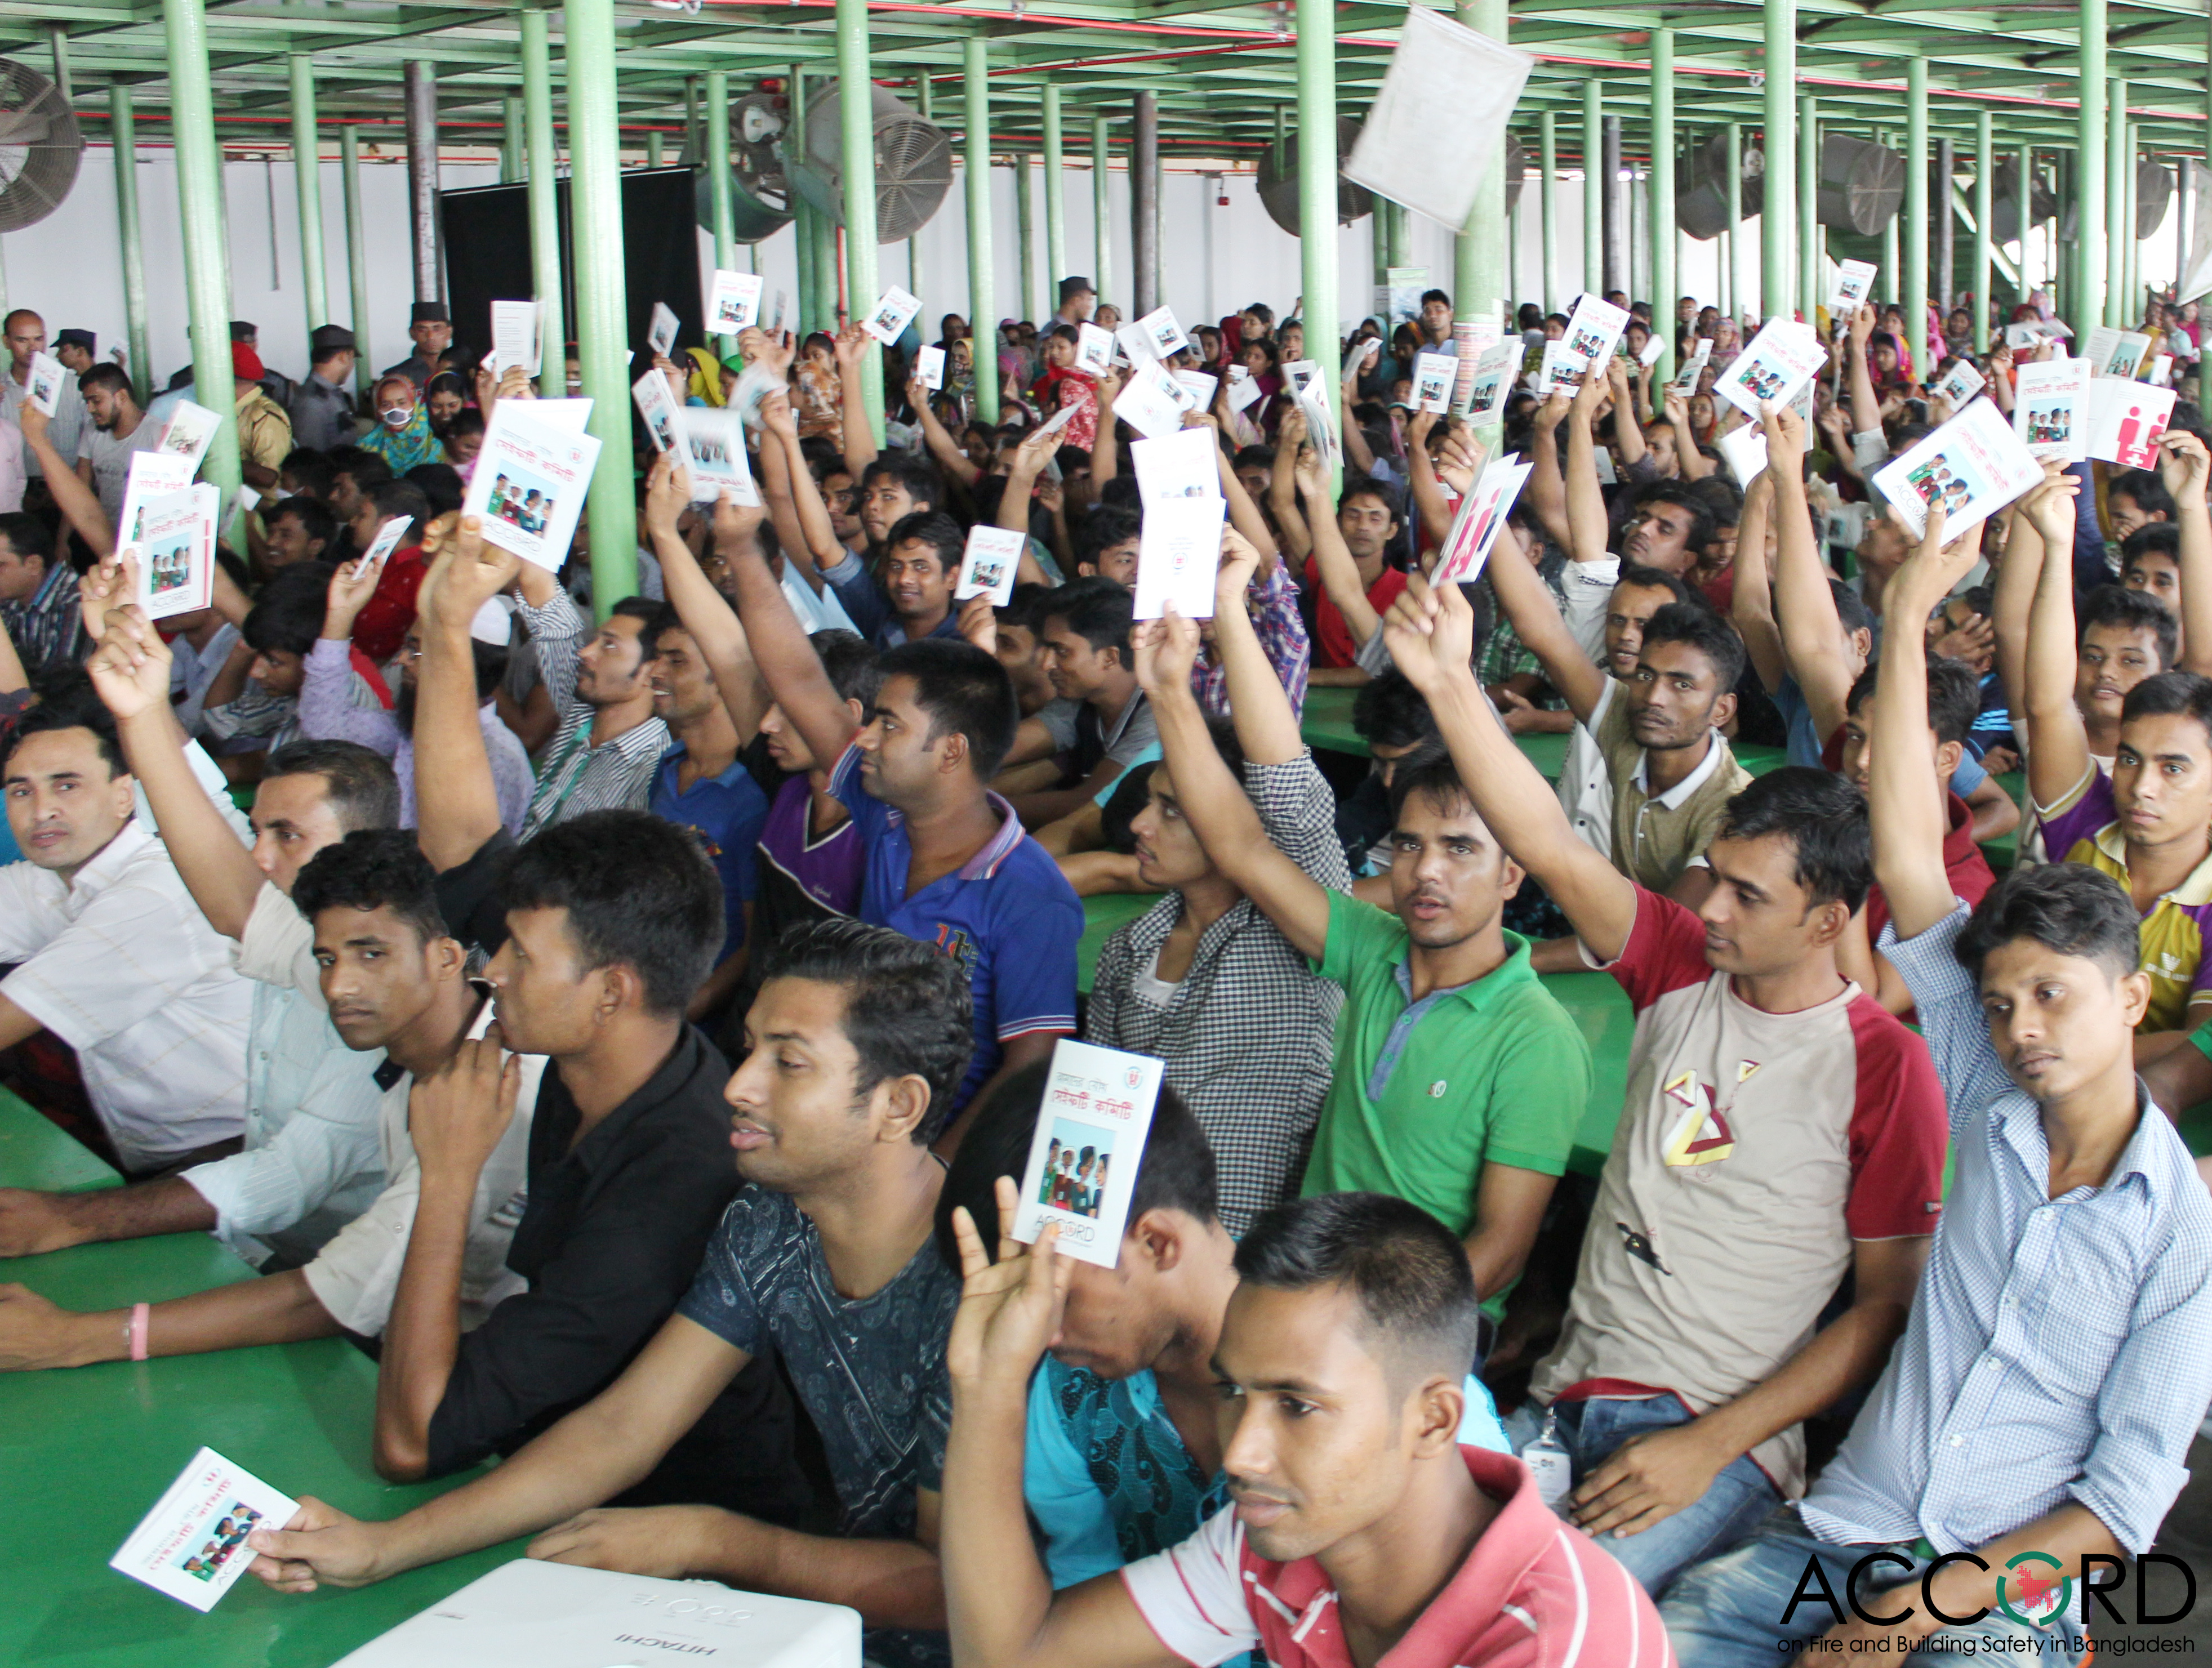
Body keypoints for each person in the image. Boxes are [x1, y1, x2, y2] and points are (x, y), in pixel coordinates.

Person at [1659, 501, 2212, 1665]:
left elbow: (2114, 1513)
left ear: (2128, 999)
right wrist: (1905, 614)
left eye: (2053, 996)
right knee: (1645, 1640)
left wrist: (1916, 1609)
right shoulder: (1984, 1091)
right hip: (1846, 1527)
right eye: (2000, 1002)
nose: (2018, 1029)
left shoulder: (2181, 1229)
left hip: (1998, 1588)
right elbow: (1907, 849)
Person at [1379, 573, 1945, 1595]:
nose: (1710, 906)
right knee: (1408, 1573)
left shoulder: (1884, 1065)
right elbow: (1546, 845)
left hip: (1713, 1436)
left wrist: (1710, 1445)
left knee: (1551, 1621)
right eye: (1714, 876)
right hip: (1565, 1400)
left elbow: (1880, 1310)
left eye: (1745, 893)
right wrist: (1449, 681)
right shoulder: (1682, 965)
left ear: (1827, 921)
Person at [247, 921, 977, 1668]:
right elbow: (624, 1426)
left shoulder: (973, 1295)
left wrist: (713, 1539)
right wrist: (383, 1547)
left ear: (898, 1104)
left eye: (787, 1062)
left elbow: (958, 1590)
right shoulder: (768, 1224)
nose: (738, 1083)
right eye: (751, 1045)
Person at [938, 1189, 1673, 1668]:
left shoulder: (1562, 1646)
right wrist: (988, 1383)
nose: (1241, 1451)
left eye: (1297, 1403)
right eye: (1233, 1390)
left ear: (1433, 1418)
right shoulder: (1275, 1547)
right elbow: (1014, 1655)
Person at [1133, 597, 1589, 1310]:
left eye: (1460, 849)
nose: (1425, 871)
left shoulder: (1537, 1038)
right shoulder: (1371, 949)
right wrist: (1168, 691)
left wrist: (1359, 1331)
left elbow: (1498, 1253)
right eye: (1409, 845)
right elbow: (1241, 846)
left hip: (1416, 1321)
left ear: (1512, 873)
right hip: (1298, 1279)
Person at [359, 806, 808, 1519]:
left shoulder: (674, 1186)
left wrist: (446, 1177)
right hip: (559, 1474)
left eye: (523, 955)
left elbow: (410, 1444)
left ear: (611, 992)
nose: (493, 971)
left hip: (669, 1547)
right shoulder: (594, 1074)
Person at [0, 635, 397, 1265]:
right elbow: (201, 800)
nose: (259, 858)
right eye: (19, 790)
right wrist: (141, 702)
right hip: (224, 1189)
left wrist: (71, 1219)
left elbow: (282, 1179)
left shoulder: (378, 994)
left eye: (288, 836)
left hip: (270, 1211)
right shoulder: (291, 938)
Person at [723, 493, 1081, 1132]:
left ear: (950, 751)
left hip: (930, 1143)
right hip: (848, 1106)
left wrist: (934, 1172)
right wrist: (742, 551)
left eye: (887, 725)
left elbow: (1031, 1064)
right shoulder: (886, 815)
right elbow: (801, 681)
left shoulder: (1030, 894)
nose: (863, 737)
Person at [1086, 534, 1347, 1234]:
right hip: (1121, 1239)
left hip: (1238, 1249)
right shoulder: (1127, 950)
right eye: (1151, 802)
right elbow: (1094, 1124)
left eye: (1174, 809)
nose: (1140, 824)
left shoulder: (1297, 930)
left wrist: (1229, 606)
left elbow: (1287, 787)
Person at [0, 690, 255, 1177]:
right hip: (145, 1149)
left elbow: (9, 1017)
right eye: (21, 791)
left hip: (232, 1158)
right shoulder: (53, 877)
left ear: (124, 795)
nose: (41, 811)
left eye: (66, 785)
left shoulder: (158, 890)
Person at [2020, 465, 2212, 1049]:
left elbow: (2200, 1045)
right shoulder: (2087, 821)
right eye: (2129, 760)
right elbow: (2049, 702)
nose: (2141, 786)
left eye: (2173, 768)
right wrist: (2056, 547)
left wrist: (2067, 1050)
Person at [1486, 516, 1752, 900]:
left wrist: (1533, 961)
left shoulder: (1730, 805)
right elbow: (1541, 631)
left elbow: (1666, 933)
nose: (1655, 697)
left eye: (1681, 685)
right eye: (1645, 676)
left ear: (1721, 711)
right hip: (1610, 926)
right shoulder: (1627, 721)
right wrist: (1491, 515)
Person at [300, 558, 533, 835]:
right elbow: (326, 725)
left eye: (415, 651)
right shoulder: (412, 728)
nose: (401, 661)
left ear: (458, 665)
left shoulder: (498, 759)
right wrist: (340, 615)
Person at [645, 601, 769, 1024]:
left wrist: (686, 1011)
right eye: (656, 658)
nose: (655, 673)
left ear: (723, 678)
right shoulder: (666, 767)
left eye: (676, 661)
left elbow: (754, 941)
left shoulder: (751, 798)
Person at [518, 572, 670, 839]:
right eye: (596, 641)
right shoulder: (581, 713)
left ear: (650, 672)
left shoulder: (651, 768)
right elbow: (553, 623)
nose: (585, 653)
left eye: (609, 645)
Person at [1004, 578, 1158, 829]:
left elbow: (1086, 803)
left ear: (1110, 657)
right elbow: (1003, 748)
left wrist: (976, 808)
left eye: (1061, 651)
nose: (1047, 664)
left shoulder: (1156, 715)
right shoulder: (1079, 699)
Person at [2, 310, 86, 489]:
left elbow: (94, 444)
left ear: (46, 339)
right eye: (22, 340)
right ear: (6, 341)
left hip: (70, 489)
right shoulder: (2, 391)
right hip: (16, 494)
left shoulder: (75, 388)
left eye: (38, 339)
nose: (32, 347)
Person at [75, 362, 157, 529]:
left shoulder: (157, 434)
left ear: (121, 397)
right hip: (104, 534)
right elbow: (79, 490)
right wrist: (63, 541)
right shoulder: (92, 431)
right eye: (87, 402)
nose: (90, 409)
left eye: (96, 401)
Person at [0, 512, 82, 677]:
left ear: (34, 565)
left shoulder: (76, 601)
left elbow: (61, 685)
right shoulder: (10, 595)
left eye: (1, 565)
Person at [290, 324, 359, 452]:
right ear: (344, 357)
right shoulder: (312, 401)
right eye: (352, 359)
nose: (352, 366)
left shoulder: (328, 394)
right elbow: (313, 459)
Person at [383, 302, 452, 389]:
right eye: (422, 330)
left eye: (437, 329)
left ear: (449, 332)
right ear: (412, 334)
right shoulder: (397, 376)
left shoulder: (465, 369)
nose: (430, 336)